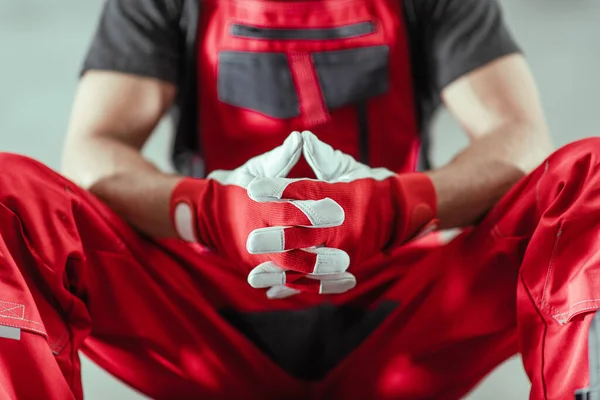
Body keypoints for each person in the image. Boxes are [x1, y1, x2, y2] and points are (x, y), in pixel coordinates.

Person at [0, 0, 597, 398]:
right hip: (210, 318)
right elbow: (91, 150)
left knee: (592, 181)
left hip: (402, 313)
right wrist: (209, 212)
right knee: (9, 201)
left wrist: (397, 205)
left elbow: (520, 139)